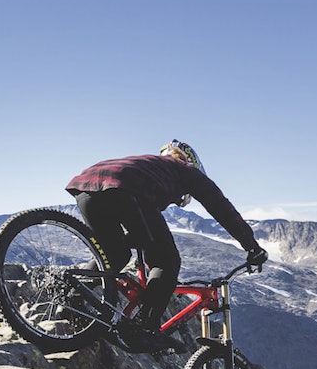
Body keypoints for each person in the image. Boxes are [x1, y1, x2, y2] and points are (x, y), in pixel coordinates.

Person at [66, 139, 268, 350]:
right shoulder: (186, 170)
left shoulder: (151, 166)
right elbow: (220, 207)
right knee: (166, 260)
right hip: (125, 188)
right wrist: (251, 246)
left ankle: (70, 297)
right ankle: (144, 329)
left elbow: (138, 225)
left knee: (115, 255)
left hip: (86, 187)